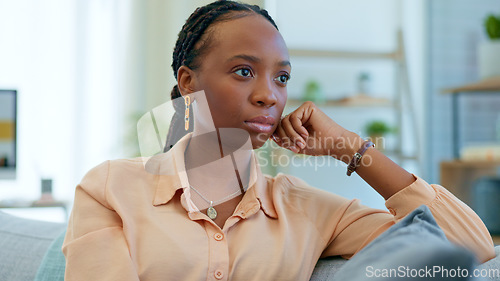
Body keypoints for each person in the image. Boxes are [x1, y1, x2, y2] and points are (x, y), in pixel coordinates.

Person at [62, 1, 496, 280]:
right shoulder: (110, 189)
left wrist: (350, 145)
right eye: (244, 71)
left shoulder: (308, 209)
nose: (269, 94)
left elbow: (467, 247)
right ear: (188, 83)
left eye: (282, 77)